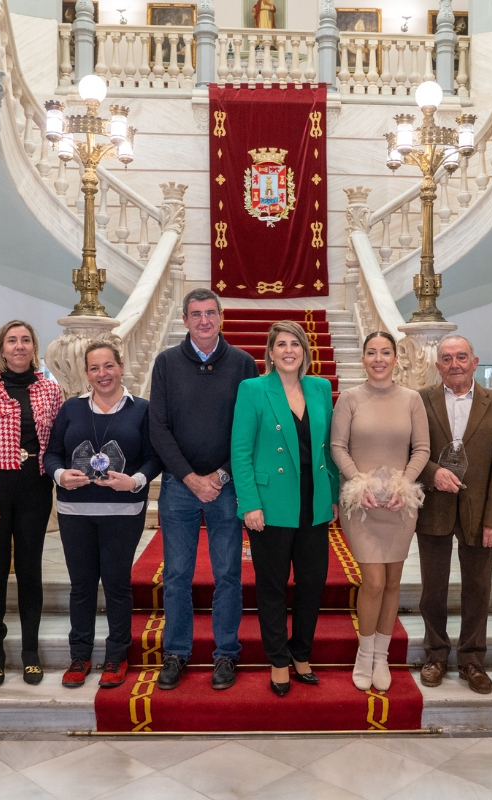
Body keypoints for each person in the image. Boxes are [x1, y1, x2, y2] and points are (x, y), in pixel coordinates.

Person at [149, 288, 259, 691]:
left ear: (221, 317)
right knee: (177, 574)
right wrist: (190, 478)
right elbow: (157, 428)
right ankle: (176, 652)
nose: (204, 321)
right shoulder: (165, 364)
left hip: (226, 488)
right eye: (195, 314)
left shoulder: (243, 364)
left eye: (210, 313)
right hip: (179, 487)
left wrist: (221, 476)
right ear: (185, 319)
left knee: (228, 573)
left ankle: (226, 653)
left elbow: (250, 429)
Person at [44, 340, 162, 689]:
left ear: (121, 367)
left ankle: (116, 656)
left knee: (117, 585)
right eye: (94, 368)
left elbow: (154, 457)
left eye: (108, 366)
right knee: (81, 586)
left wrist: (136, 481)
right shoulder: (71, 409)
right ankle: (79, 656)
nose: (102, 374)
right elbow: (51, 454)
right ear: (86, 373)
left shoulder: (141, 409)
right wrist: (60, 475)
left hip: (123, 512)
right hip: (74, 511)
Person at [231, 321, 340, 697]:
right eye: (281, 344)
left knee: (312, 582)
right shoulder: (253, 389)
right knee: (273, 586)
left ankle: (301, 652)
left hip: (314, 500)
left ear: (305, 352)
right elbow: (240, 452)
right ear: (271, 352)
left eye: (296, 344)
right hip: (271, 502)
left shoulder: (320, 388)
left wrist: (335, 494)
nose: (289, 350)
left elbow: (329, 448)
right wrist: (249, 504)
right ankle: (278, 658)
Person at [0, 320, 62, 689]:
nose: (19, 346)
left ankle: (31, 652)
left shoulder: (51, 390)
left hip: (35, 489)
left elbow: (57, 443)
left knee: (30, 570)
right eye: (12, 340)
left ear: (34, 347)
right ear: (1, 348)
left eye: (25, 340)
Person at [331, 331, 431, 692]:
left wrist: (405, 484)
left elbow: (421, 448)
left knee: (392, 582)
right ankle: (364, 654)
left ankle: (382, 656)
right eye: (371, 352)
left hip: (400, 505)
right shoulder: (350, 398)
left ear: (395, 358)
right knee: (372, 581)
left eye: (385, 352)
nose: (378, 358)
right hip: (363, 505)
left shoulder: (411, 399)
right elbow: (338, 446)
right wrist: (359, 482)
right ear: (363, 359)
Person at [414, 335, 492, 694]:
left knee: (477, 588)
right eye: (446, 358)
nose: (454, 363)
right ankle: (435, 654)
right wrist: (430, 473)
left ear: (475, 361)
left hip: (479, 510)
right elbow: (409, 449)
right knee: (433, 589)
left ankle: (472, 659)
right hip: (434, 507)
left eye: (461, 357)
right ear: (437, 365)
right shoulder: (419, 400)